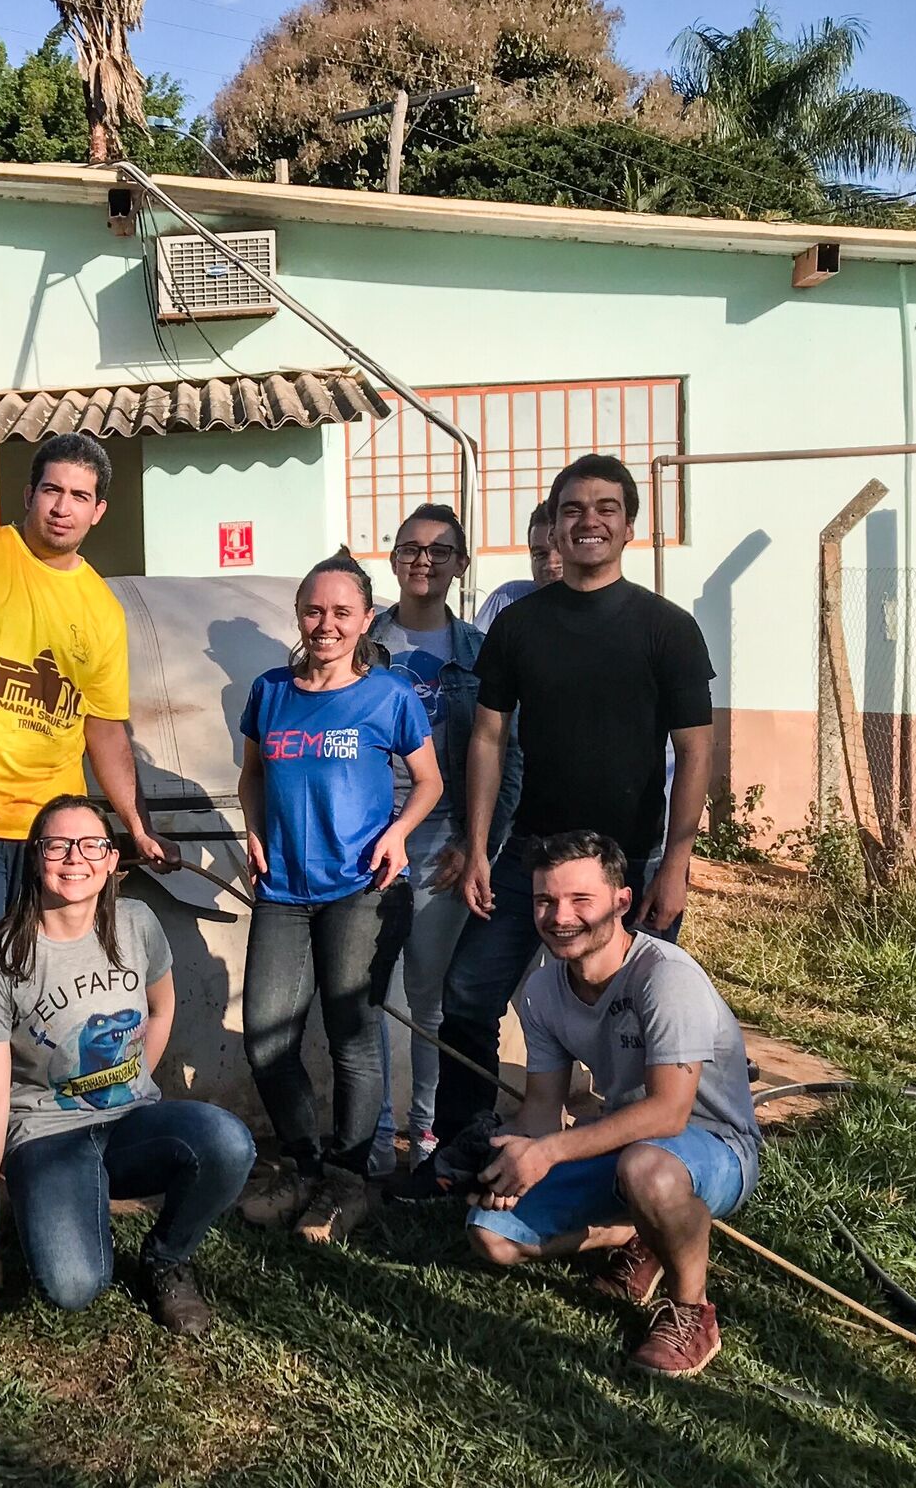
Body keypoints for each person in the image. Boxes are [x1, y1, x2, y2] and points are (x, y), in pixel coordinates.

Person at [0, 433, 177, 1174]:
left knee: (57, 992)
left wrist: (134, 825)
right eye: (51, 490)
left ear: (99, 511)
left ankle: (51, 1139)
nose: (63, 507)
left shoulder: (100, 606)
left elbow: (105, 730)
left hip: (53, 844)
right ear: (27, 495)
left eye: (80, 497)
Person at [432, 454, 715, 1149]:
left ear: (628, 526)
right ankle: (462, 1148)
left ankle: (639, 1162)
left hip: (632, 864)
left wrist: (676, 863)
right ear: (555, 528)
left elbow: (700, 752)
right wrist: (475, 845)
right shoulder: (519, 627)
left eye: (606, 508)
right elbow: (490, 739)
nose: (589, 520)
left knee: (640, 1019)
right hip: (531, 854)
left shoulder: (667, 628)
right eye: (573, 509)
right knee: (468, 995)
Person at [0, 796, 256, 1335]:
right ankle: (45, 1194)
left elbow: (163, 1006)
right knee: (74, 1286)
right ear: (36, 858)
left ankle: (166, 1259)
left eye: (91, 845)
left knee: (228, 1143)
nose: (74, 858)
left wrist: (138, 1083)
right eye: (57, 845)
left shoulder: (136, 923)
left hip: (130, 1122)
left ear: (112, 860)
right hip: (45, 1133)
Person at [466, 831, 760, 1378]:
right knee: (489, 1233)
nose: (560, 917)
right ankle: (642, 1232)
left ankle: (691, 1313)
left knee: (647, 1167)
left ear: (621, 902)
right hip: (623, 1142)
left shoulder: (665, 977)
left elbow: (669, 1113)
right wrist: (508, 1157)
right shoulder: (540, 991)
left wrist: (550, 1152)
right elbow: (540, 1113)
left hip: (714, 1147)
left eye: (581, 901)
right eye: (544, 901)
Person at [234, 552, 441, 1243]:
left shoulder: (389, 696)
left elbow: (430, 783)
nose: (325, 625)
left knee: (352, 1038)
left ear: (365, 620)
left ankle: (350, 1182)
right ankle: (303, 1164)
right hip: (284, 891)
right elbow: (252, 777)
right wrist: (255, 833)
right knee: (266, 1038)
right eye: (314, 611)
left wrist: (400, 833)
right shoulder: (269, 691)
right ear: (299, 616)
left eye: (341, 613)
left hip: (362, 889)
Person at [365, 505, 521, 1174]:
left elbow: (510, 759)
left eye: (439, 549)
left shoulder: (482, 654)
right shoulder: (361, 644)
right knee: (365, 993)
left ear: (461, 563)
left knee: (428, 998)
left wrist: (478, 842)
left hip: (445, 841)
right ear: (394, 558)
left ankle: (425, 1133)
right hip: (365, 839)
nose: (423, 559)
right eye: (410, 548)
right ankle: (373, 1131)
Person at [472, 500, 562, 631]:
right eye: (540, 554)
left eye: (561, 550)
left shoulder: (600, 614)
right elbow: (473, 649)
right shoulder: (508, 600)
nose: (551, 564)